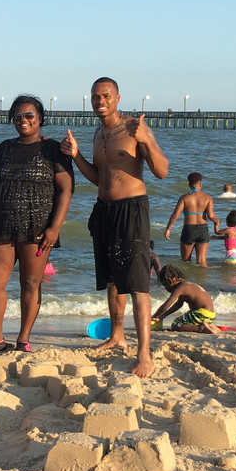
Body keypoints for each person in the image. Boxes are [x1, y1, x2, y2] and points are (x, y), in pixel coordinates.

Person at [62, 76, 169, 378]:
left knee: (137, 283)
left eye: (106, 96)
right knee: (112, 279)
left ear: (118, 98)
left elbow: (161, 171)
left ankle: (144, 354)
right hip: (104, 209)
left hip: (131, 209)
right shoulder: (99, 133)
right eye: (96, 97)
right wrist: (76, 155)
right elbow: (99, 177)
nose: (101, 101)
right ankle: (117, 336)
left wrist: (147, 140)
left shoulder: (134, 128)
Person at [0, 95, 73, 353]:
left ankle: (23, 339)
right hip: (2, 224)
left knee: (31, 283)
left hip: (38, 228)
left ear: (40, 118)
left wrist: (54, 228)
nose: (23, 120)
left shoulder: (53, 149)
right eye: (18, 116)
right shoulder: (4, 148)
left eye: (29, 115)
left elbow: (65, 190)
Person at [164, 173, 219, 267]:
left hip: (189, 230)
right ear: (200, 184)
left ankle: (187, 277)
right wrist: (217, 221)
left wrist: (168, 228)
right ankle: (203, 277)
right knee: (202, 261)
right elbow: (211, 216)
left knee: (186, 262)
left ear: (189, 185)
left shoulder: (184, 198)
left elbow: (175, 214)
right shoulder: (208, 198)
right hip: (203, 229)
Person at [152, 265, 219, 334]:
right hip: (210, 315)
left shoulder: (180, 288)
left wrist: (154, 316)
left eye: (165, 285)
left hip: (200, 314)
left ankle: (201, 328)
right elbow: (178, 304)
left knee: (176, 324)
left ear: (170, 281)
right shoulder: (185, 285)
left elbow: (167, 304)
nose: (165, 288)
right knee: (182, 320)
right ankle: (209, 325)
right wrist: (163, 316)